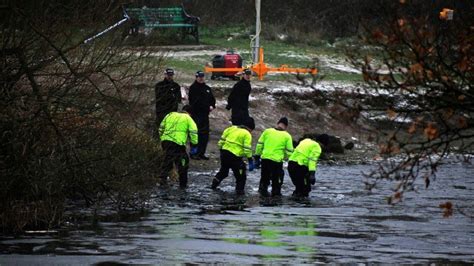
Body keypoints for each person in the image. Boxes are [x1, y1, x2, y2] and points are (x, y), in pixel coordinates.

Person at [211, 117, 255, 195]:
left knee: (223, 172)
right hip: (235, 157)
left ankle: (213, 185)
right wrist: (250, 159)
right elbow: (247, 149)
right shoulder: (246, 134)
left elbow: (221, 142)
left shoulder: (231, 128)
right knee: (241, 177)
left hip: (224, 154)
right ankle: (239, 194)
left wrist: (221, 151)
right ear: (250, 128)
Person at [158, 105, 198, 188]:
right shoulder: (188, 118)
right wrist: (194, 144)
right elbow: (193, 132)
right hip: (177, 144)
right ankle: (183, 184)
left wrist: (162, 138)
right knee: (183, 162)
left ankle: (162, 180)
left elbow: (161, 128)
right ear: (190, 113)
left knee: (168, 159)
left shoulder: (170, 114)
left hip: (165, 142)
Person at [254, 117, 294, 197]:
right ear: (286, 127)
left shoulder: (267, 131)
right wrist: (291, 160)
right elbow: (289, 152)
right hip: (276, 162)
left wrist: (257, 156)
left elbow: (259, 145)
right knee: (277, 183)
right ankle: (275, 200)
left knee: (264, 180)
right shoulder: (287, 136)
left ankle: (261, 197)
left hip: (265, 159)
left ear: (278, 123)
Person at [188, 70, 216, 160]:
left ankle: (201, 153)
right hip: (196, 114)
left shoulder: (207, 88)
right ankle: (194, 153)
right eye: (199, 77)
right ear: (196, 78)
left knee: (205, 135)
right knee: (196, 134)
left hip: (205, 115)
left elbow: (212, 99)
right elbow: (195, 102)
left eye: (202, 77)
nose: (201, 79)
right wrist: (206, 107)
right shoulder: (193, 88)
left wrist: (212, 105)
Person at [155, 68, 182, 134]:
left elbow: (179, 99)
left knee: (171, 131)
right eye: (168, 75)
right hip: (161, 112)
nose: (170, 76)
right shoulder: (159, 85)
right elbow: (159, 98)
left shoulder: (176, 86)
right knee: (160, 131)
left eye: (171, 75)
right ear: (165, 75)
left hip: (172, 112)